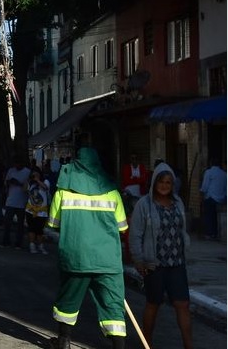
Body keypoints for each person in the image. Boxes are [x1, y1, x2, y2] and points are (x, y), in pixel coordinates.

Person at [47, 147, 127, 349]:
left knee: (68, 302)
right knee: (113, 306)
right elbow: (122, 227)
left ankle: (64, 342)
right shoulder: (112, 192)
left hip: (76, 257)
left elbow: (53, 224)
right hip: (107, 260)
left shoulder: (62, 192)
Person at [129, 162, 193, 349]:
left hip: (177, 263)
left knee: (183, 304)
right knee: (153, 303)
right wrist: (138, 260)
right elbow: (136, 234)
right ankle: (146, 343)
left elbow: (182, 230)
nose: (165, 185)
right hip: (154, 265)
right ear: (154, 183)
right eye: (161, 181)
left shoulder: (178, 202)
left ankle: (189, 346)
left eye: (168, 182)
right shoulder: (144, 204)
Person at [1, 155, 30, 249]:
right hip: (10, 200)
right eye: (15, 164)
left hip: (21, 202)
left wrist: (19, 183)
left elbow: (28, 187)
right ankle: (6, 241)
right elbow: (6, 183)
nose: (16, 166)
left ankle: (18, 243)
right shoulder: (11, 171)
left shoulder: (27, 172)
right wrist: (10, 182)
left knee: (20, 225)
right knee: (7, 223)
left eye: (18, 164)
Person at [200, 158, 227, 240]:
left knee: (209, 216)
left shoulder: (208, 172)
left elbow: (205, 187)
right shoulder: (224, 174)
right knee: (215, 217)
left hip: (210, 197)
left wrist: (202, 192)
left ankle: (209, 233)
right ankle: (215, 233)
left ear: (210, 163)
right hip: (221, 199)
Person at [25, 170, 50, 255]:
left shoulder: (45, 181)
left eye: (36, 174)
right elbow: (24, 190)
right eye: (33, 175)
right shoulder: (31, 183)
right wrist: (28, 181)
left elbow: (46, 188)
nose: (34, 176)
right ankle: (32, 245)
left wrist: (38, 180)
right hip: (30, 210)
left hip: (41, 211)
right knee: (31, 228)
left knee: (39, 230)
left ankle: (41, 246)